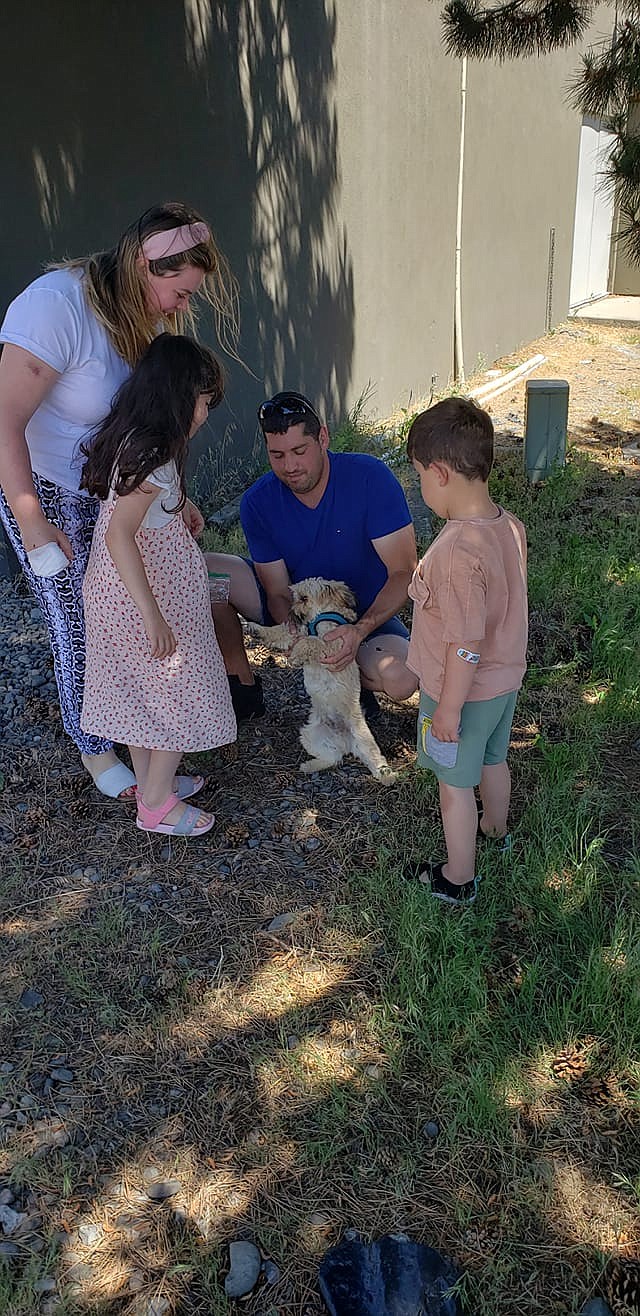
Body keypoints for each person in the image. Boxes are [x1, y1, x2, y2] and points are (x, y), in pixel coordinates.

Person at [0, 202, 238, 798]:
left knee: (124, 621)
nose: (184, 307)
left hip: (110, 493)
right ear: (144, 265)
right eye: (180, 292)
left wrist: (170, 500)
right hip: (47, 491)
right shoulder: (56, 308)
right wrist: (30, 517)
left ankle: (141, 731)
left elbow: (146, 421)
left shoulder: (139, 316)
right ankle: (97, 752)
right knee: (80, 624)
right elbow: (3, 420)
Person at [80, 334, 236, 837]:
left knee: (143, 693)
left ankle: (155, 781)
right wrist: (151, 614)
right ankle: (154, 805)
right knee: (176, 692)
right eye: (204, 401)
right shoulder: (154, 454)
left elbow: (144, 505)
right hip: (141, 597)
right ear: (178, 394)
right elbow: (120, 533)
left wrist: (179, 506)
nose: (205, 413)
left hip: (124, 593)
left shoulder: (139, 437)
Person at [206, 390, 419, 720]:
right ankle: (241, 688)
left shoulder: (370, 477)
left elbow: (404, 571)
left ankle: (349, 679)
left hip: (360, 615)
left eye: (299, 451)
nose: (289, 466)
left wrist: (359, 630)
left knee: (402, 678)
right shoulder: (257, 501)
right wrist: (297, 632)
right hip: (297, 607)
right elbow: (276, 589)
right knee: (207, 575)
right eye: (277, 455)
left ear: (323, 438)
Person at [403, 397, 528, 906]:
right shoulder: (508, 525)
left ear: (441, 473)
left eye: (420, 480)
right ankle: (496, 830)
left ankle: (458, 877)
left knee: (454, 785)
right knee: (494, 759)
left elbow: (464, 642)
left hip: (462, 694)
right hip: (505, 684)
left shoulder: (455, 550)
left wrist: (448, 710)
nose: (423, 490)